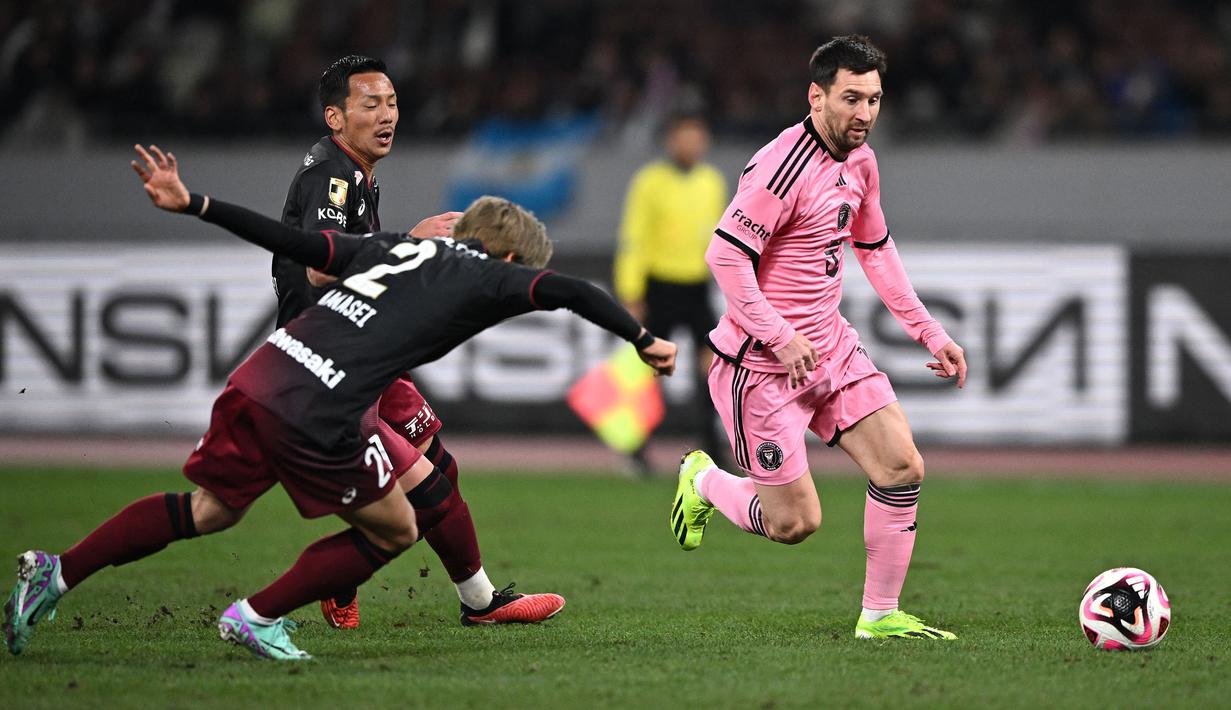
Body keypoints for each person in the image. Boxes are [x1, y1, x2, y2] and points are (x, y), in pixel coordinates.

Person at [3, 145, 676, 661]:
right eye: (519, 267)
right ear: (504, 253)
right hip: (321, 406)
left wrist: (194, 204)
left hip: (264, 373)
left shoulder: (390, 248)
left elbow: (293, 244)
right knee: (396, 528)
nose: (521, 279)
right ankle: (257, 616)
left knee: (210, 510)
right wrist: (642, 338)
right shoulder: (488, 274)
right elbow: (572, 292)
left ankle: (56, 573)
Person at [669, 35, 967, 640]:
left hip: (830, 347)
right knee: (794, 524)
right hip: (760, 365)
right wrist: (779, 335)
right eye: (851, 98)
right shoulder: (781, 167)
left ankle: (880, 616)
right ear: (816, 95)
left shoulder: (862, 162)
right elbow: (724, 257)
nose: (864, 114)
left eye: (875, 100)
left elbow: (875, 249)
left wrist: (928, 331)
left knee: (902, 466)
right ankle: (702, 479)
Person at [277, 54, 562, 630]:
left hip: (367, 350)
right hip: (333, 366)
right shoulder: (330, 176)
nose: (387, 116)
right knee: (425, 492)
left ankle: (390, 586)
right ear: (336, 116)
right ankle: (480, 603)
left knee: (439, 465)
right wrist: (409, 240)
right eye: (370, 104)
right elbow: (321, 271)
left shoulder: (352, 172)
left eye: (392, 103)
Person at [613, 113, 728, 475]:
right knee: (648, 371)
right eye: (685, 137)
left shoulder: (712, 181)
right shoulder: (650, 182)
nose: (692, 145)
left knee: (714, 369)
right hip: (659, 286)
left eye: (698, 137)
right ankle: (637, 450)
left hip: (697, 287)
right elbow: (634, 238)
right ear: (671, 140)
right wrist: (632, 292)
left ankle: (714, 448)